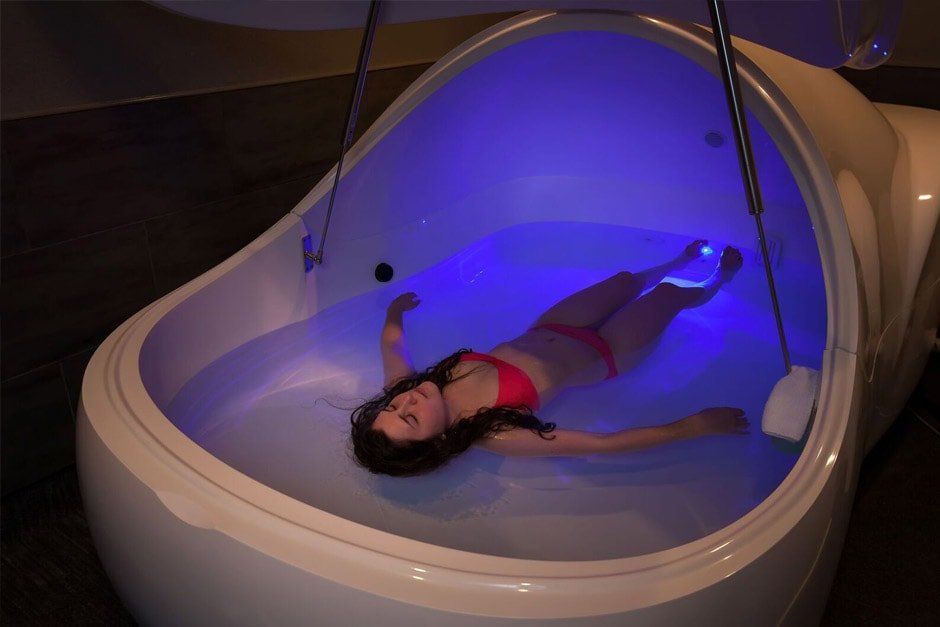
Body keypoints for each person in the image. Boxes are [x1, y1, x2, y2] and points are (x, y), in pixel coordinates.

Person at [350, 240, 749, 476]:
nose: (405, 401)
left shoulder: (405, 390)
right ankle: (717, 279)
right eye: (410, 418)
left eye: (392, 406)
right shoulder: (497, 433)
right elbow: (602, 443)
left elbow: (392, 347)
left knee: (625, 282)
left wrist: (394, 313)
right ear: (436, 442)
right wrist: (694, 426)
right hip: (608, 352)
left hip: (552, 327)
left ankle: (675, 262)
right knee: (670, 296)